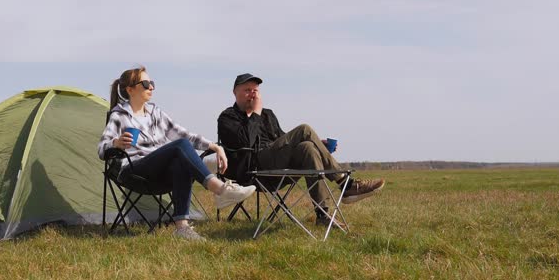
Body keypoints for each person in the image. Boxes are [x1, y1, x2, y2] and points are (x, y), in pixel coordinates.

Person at [98, 67, 257, 240]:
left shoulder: (155, 113)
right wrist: (116, 143)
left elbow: (185, 135)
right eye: (145, 84)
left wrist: (216, 147)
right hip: (133, 170)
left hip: (158, 173)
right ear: (130, 90)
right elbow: (101, 148)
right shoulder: (119, 116)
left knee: (181, 162)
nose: (151, 87)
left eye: (152, 83)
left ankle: (182, 228)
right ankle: (220, 190)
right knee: (179, 146)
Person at [218, 73, 385, 225]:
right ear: (235, 93)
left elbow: (282, 139)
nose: (253, 93)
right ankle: (346, 184)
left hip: (277, 166)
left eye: (255, 90)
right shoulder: (227, 118)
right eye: (247, 90)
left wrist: (320, 145)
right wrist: (256, 113)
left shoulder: (268, 115)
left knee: (308, 147)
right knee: (304, 129)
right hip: (253, 170)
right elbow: (246, 142)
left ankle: (323, 215)